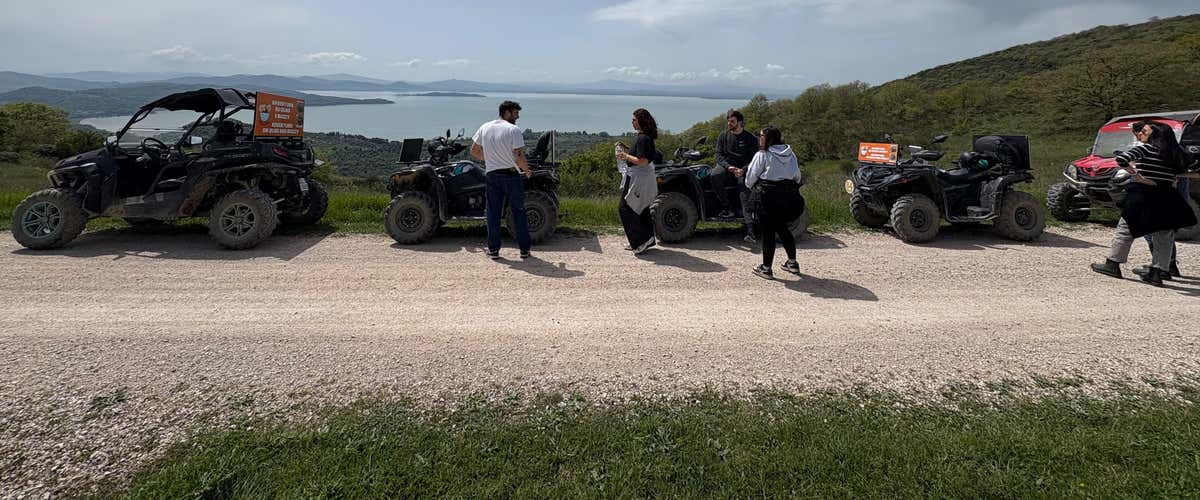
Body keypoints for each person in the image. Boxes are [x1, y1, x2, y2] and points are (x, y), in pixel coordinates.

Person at [1091, 121, 1197, 286]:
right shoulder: (1174, 153)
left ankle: (1113, 264)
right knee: (1164, 234)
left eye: (1145, 131)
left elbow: (1122, 159)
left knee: (1125, 229)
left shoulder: (1145, 148)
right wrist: (1173, 176)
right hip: (1167, 195)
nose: (1141, 133)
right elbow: (1194, 171)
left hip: (1144, 194)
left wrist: (1138, 176)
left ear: (1155, 134)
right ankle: (1157, 272)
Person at [471, 100, 534, 260]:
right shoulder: (513, 130)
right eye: (515, 113)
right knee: (518, 212)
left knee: (493, 213)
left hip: (492, 175)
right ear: (506, 112)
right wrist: (526, 170)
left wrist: (490, 160)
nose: (517, 117)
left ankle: (493, 250)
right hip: (511, 175)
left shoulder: (484, 127)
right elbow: (518, 155)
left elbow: (474, 150)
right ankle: (524, 250)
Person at [744, 126, 804, 280]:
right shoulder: (791, 154)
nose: (760, 138)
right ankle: (792, 263)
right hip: (789, 199)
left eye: (762, 136)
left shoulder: (763, 155)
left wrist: (753, 187)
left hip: (767, 199)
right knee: (783, 228)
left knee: (768, 232)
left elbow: (750, 179)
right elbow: (797, 176)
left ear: (769, 138)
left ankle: (766, 268)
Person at [616, 108, 659, 254]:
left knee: (626, 208)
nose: (632, 122)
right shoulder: (646, 137)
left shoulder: (642, 138)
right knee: (641, 207)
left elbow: (642, 161)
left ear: (641, 121)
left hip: (639, 177)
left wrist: (625, 156)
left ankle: (639, 241)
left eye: (634, 119)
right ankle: (647, 239)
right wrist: (628, 151)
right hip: (640, 176)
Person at [714, 110, 760, 241]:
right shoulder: (723, 136)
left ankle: (750, 230)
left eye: (732, 121)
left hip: (744, 169)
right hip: (727, 167)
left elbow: (754, 158)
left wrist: (743, 170)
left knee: (744, 191)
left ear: (740, 122)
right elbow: (719, 155)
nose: (729, 123)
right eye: (728, 121)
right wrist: (728, 167)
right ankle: (727, 208)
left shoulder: (750, 138)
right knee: (714, 175)